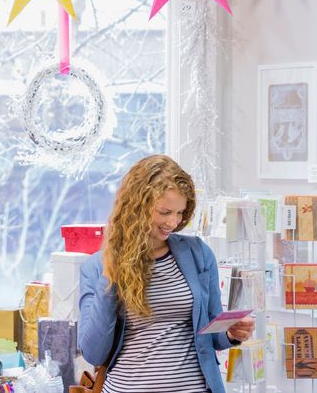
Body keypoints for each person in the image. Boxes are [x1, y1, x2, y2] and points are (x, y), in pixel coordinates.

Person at [78, 155, 255, 393]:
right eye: (164, 212)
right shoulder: (96, 268)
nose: (173, 222)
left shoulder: (198, 254)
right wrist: (112, 274)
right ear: (137, 207)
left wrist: (232, 334)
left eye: (180, 212)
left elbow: (211, 336)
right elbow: (93, 352)